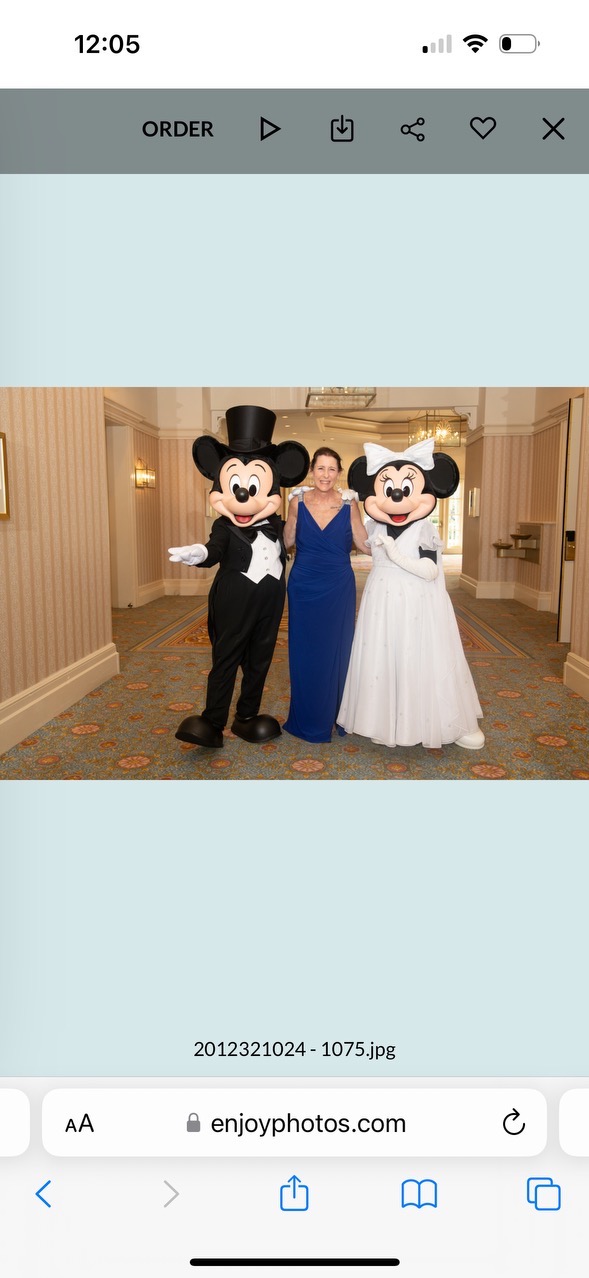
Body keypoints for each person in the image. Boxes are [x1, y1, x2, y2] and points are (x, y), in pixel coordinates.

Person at [337, 439, 485, 750]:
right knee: (383, 656)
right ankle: (382, 720)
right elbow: (363, 544)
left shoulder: (425, 529)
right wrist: (349, 509)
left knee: (419, 655)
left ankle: (443, 721)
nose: (396, 496)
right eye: (388, 489)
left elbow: (430, 571)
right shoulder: (374, 525)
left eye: (406, 488)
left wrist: (396, 555)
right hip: (381, 598)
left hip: (418, 601)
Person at [282, 448, 369, 743]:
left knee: (337, 649)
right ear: (311, 471)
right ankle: (308, 716)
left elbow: (363, 542)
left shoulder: (349, 503)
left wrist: (397, 538)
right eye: (321, 468)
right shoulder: (296, 502)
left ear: (339, 473)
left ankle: (337, 714)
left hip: (338, 586)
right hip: (303, 585)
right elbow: (287, 539)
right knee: (304, 650)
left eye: (332, 469)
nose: (326, 475)